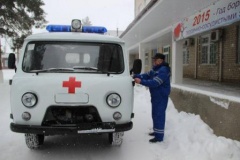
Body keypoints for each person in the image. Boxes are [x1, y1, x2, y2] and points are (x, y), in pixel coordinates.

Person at [134, 53, 171, 143]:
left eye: (155, 60)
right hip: (155, 96)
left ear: (161, 61)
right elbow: (145, 75)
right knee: (155, 114)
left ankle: (159, 137)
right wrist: (136, 76)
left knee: (159, 115)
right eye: (153, 59)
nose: (153, 61)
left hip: (161, 96)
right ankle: (156, 131)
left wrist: (141, 81)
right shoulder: (155, 69)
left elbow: (155, 82)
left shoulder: (163, 70)